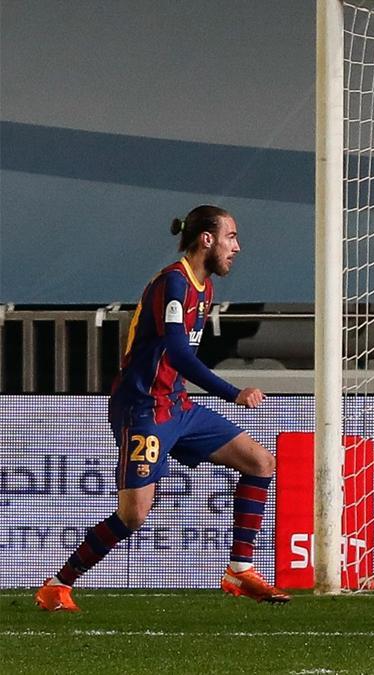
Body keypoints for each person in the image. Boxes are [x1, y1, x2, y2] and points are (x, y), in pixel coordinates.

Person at [35, 205, 288, 612]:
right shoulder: (174, 283)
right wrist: (232, 392)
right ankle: (57, 585)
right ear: (206, 238)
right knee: (133, 515)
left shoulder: (205, 289)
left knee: (260, 462)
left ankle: (240, 569)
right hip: (145, 409)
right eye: (231, 237)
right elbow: (177, 352)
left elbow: (177, 360)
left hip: (178, 405)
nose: (237, 247)